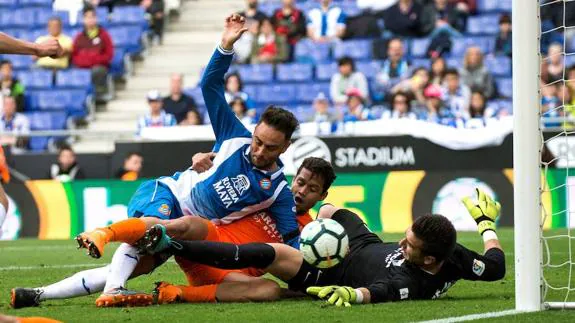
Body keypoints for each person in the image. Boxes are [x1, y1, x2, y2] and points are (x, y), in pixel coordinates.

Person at [71, 13, 300, 307]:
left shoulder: (278, 191)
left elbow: (290, 239)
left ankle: (42, 294)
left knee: (140, 262)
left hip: (195, 234)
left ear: (285, 148)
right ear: (254, 131)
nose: (259, 150)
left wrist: (309, 279)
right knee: (147, 237)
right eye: (258, 140)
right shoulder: (234, 136)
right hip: (172, 195)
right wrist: (226, 46)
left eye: (270, 148)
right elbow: (210, 86)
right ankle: (104, 237)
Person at [10, 157, 335, 308]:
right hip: (206, 244)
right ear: (294, 178)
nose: (301, 190)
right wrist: (200, 161)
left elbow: (300, 271)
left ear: (321, 196)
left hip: (226, 277)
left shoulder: (311, 232)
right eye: (300, 181)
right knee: (191, 224)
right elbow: (228, 176)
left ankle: (36, 294)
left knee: (264, 289)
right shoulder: (270, 194)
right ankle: (105, 233)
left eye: (311, 189)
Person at [143, 189, 505, 306]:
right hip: (362, 243)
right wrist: (486, 225)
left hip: (334, 269)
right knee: (333, 210)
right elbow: (495, 266)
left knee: (267, 253)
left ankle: (173, 244)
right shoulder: (455, 253)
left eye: (408, 244)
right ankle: (308, 212)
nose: (402, 242)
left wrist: (348, 293)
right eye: (406, 234)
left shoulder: (412, 284)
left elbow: (375, 292)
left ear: (428, 259)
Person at [71, 6, 114, 102]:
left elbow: (109, 55)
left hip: (99, 67)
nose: (90, 20)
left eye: (92, 17)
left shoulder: (104, 35)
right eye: (87, 17)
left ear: (96, 18)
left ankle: (98, 97)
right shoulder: (79, 37)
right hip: (82, 67)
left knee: (98, 71)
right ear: (83, 19)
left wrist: (91, 59)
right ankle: (79, 100)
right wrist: (87, 60)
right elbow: (74, 56)